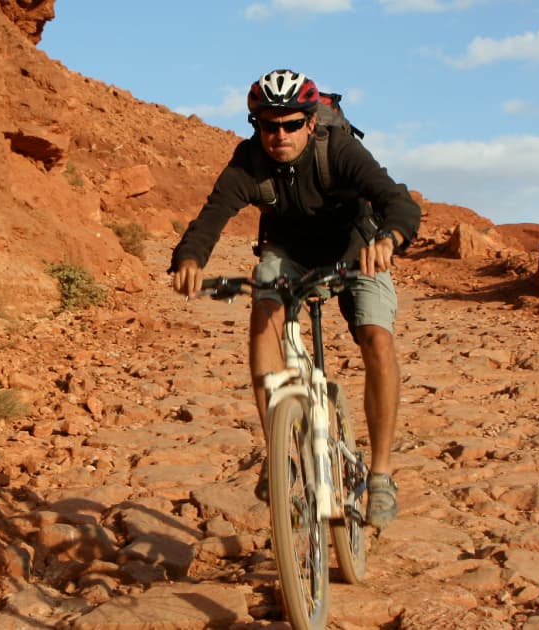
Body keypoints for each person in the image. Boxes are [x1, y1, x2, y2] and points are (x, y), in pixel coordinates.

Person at [169, 69, 422, 529]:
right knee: (263, 302)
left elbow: (397, 200)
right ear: (257, 126)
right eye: (269, 125)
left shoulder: (338, 150)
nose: (279, 135)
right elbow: (213, 215)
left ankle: (382, 474)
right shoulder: (249, 161)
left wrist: (389, 238)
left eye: (290, 124)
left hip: (356, 251)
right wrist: (189, 259)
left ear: (310, 123)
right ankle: (278, 453)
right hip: (288, 254)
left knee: (377, 338)